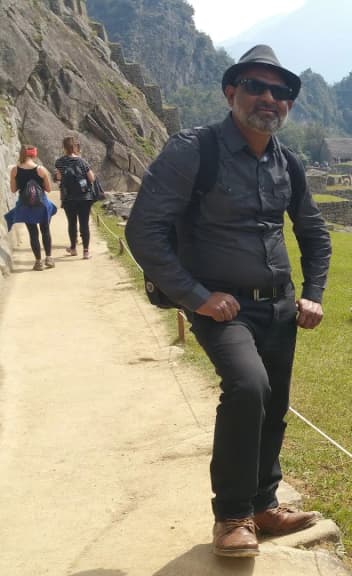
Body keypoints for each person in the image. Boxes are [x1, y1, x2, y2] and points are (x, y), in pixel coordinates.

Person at [124, 45, 333, 558]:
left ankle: (264, 504)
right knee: (247, 388)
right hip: (223, 307)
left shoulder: (288, 163)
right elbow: (143, 231)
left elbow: (313, 232)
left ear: (288, 104)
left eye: (280, 92)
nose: (269, 98)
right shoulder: (194, 151)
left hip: (279, 306)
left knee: (273, 404)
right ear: (230, 92)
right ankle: (232, 516)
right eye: (256, 87)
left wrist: (312, 294)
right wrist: (196, 296)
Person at [5, 145, 58, 271]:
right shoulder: (41, 170)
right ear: (34, 154)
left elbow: (13, 190)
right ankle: (49, 258)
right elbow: (49, 189)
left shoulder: (15, 170)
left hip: (26, 206)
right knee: (45, 230)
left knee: (33, 233)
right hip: (42, 205)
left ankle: (38, 262)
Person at [53, 135, 97, 259]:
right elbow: (92, 178)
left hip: (68, 198)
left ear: (64, 147)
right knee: (84, 223)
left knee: (72, 223)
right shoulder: (82, 161)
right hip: (84, 197)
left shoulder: (60, 162)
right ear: (75, 146)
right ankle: (86, 252)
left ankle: (73, 248)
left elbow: (59, 178)